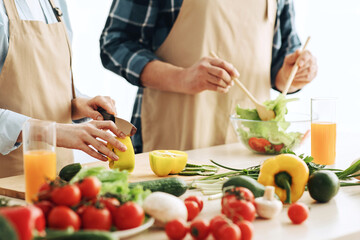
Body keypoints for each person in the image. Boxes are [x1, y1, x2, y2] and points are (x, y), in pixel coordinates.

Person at [100, 0, 318, 154]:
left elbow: (281, 65)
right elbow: (114, 43)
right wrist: (182, 77)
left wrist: (293, 74)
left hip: (250, 148)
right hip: (174, 140)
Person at [0, 0, 127, 178]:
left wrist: (78, 105)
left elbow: (43, 86)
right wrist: (55, 132)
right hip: (9, 181)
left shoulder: (55, 4)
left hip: (62, 176)